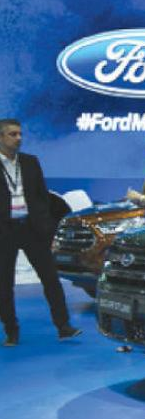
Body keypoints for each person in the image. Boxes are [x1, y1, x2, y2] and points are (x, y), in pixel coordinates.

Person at [0, 118, 82, 346]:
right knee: (4, 285)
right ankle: (11, 331)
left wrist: (48, 230)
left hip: (33, 229)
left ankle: (64, 327)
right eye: (13, 134)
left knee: (51, 279)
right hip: (5, 231)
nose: (18, 138)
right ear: (1, 137)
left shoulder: (30, 162)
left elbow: (42, 198)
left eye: (20, 134)